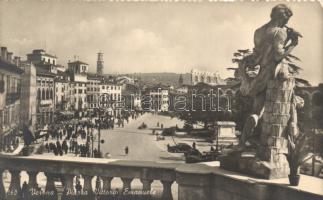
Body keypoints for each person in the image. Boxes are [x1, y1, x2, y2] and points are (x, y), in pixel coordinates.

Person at [238, 4, 300, 148]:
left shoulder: (259, 31)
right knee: (286, 109)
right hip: (276, 75)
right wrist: (293, 44)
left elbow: (256, 55)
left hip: (261, 75)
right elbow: (278, 56)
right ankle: (276, 147)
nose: (287, 23)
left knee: (256, 111)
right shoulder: (279, 32)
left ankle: (242, 142)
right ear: (282, 17)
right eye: (287, 19)